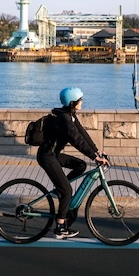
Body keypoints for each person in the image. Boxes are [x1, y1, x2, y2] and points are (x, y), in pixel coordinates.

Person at [37, 87, 108, 239]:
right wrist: (94, 158)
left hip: (53, 155)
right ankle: (60, 228)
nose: (82, 101)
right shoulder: (64, 119)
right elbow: (76, 140)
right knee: (67, 191)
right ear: (72, 102)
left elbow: (82, 134)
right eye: (79, 99)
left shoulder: (70, 115)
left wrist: (97, 151)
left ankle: (59, 189)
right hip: (47, 157)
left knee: (80, 165)